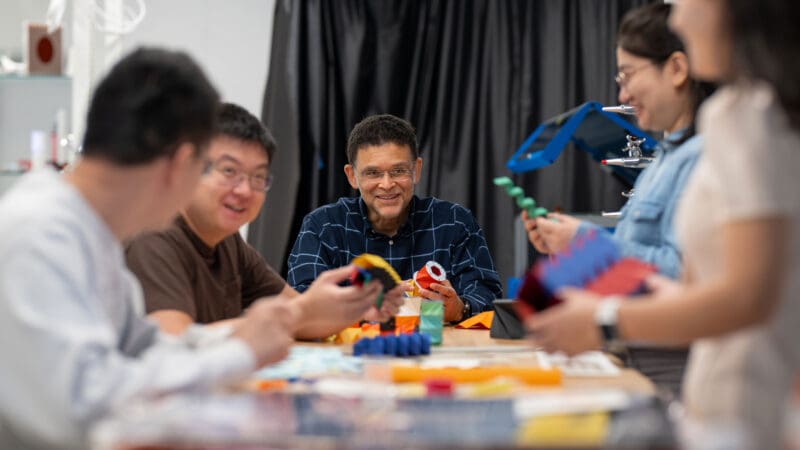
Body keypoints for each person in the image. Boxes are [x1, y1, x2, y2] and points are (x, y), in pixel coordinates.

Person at [0, 48, 379, 450]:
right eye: (216, 168)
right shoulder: (40, 232)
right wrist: (241, 350)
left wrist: (262, 329)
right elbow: (85, 405)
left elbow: (146, 346)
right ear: (182, 162)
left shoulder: (90, 232)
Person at [526, 0, 800, 447]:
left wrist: (604, 318)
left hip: (750, 415)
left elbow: (750, 296)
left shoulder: (753, 120)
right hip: (717, 404)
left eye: (684, 2)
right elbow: (707, 284)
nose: (677, 18)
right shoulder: (738, 114)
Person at [525, 3, 713, 398]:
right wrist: (574, 245)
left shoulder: (705, 158)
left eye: (629, 75)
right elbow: (637, 258)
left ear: (677, 69)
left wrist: (587, 243)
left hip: (671, 374)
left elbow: (685, 277)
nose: (622, 93)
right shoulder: (664, 157)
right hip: (632, 358)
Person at [125, 103, 403, 338]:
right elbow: (173, 346)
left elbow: (305, 319)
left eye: (258, 176)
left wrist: (357, 307)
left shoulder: (227, 241)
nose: (245, 190)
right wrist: (291, 315)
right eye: (229, 170)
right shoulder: (152, 236)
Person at [287, 114, 503, 323]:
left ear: (417, 170)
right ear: (352, 176)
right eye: (373, 173)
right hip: (352, 354)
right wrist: (362, 309)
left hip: (436, 353)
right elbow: (302, 300)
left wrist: (460, 309)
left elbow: (487, 294)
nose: (387, 184)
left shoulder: (455, 221)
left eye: (398, 171)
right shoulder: (322, 226)